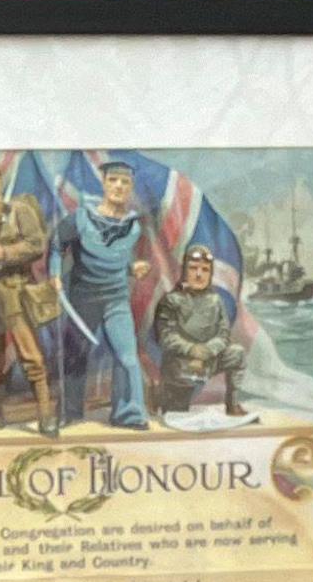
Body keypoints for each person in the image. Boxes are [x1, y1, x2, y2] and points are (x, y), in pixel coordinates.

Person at [64, 160, 153, 430]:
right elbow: (56, 246)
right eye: (113, 180)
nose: (119, 186)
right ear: (103, 183)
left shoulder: (134, 226)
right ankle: (70, 413)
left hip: (116, 299)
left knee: (127, 358)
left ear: (131, 187)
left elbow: (115, 257)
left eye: (125, 182)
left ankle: (129, 414)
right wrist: (56, 276)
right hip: (83, 298)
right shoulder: (80, 217)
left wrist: (133, 267)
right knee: (75, 356)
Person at [0, 186, 62, 432]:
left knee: (30, 355)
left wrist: (5, 252)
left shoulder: (18, 210)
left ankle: (45, 417)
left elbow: (36, 244)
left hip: (14, 292)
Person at [148, 243, 247, 420]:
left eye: (205, 269)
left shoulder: (215, 300)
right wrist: (192, 350)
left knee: (236, 353)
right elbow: (166, 337)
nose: (199, 274)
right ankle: (160, 395)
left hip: (210, 358)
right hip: (181, 363)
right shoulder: (171, 300)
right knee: (176, 416)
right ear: (185, 271)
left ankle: (232, 403)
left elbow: (223, 334)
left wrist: (207, 351)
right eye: (194, 268)